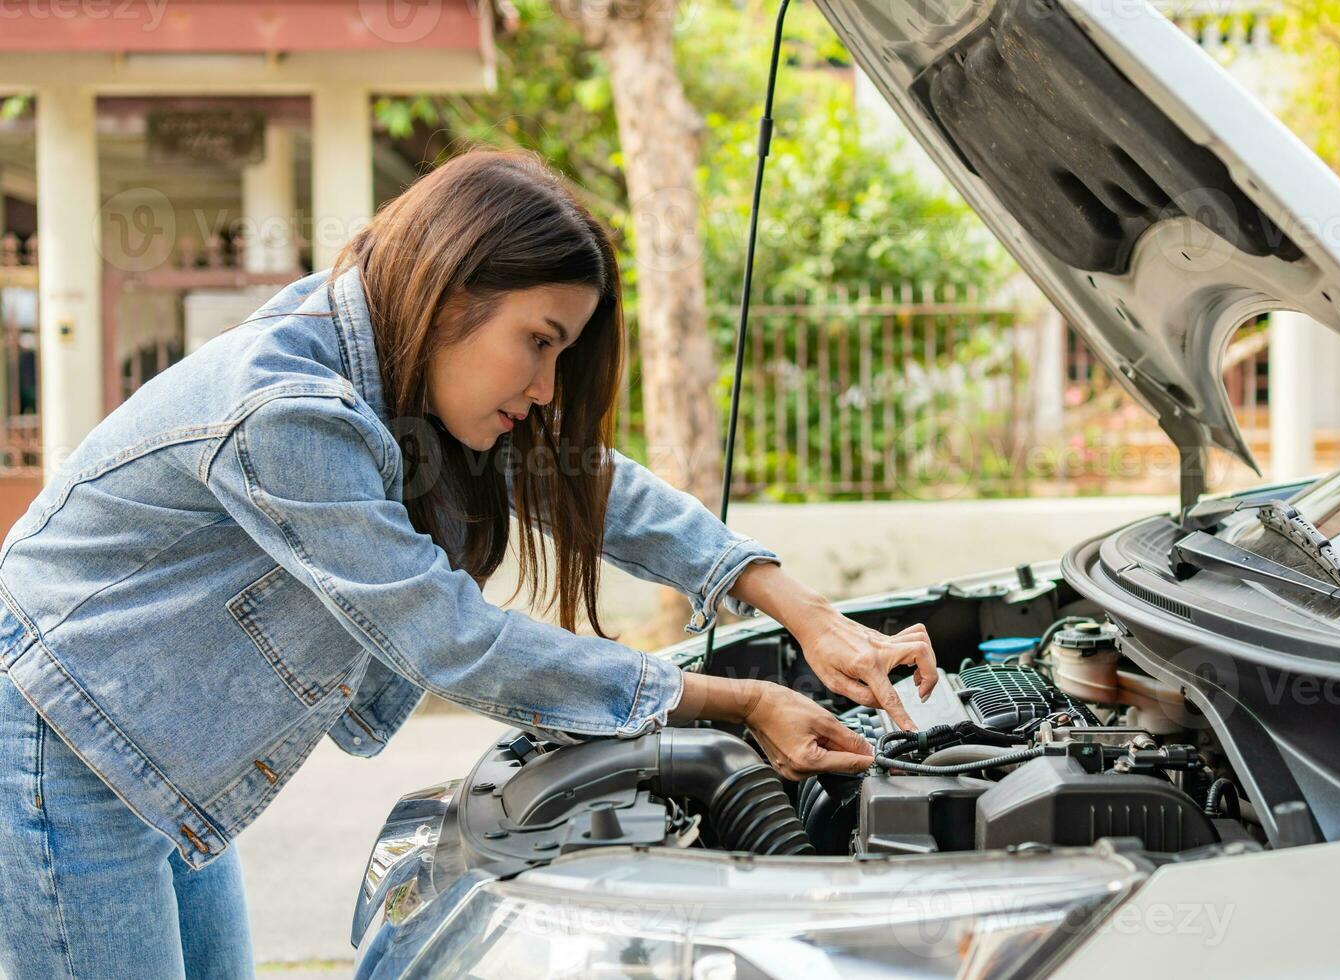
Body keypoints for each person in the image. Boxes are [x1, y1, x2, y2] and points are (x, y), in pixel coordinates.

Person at [0, 149, 937, 978]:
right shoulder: (289, 412)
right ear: (453, 292)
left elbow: (592, 484)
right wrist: (738, 702)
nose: (543, 390)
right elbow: (451, 639)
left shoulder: (403, 366)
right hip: (64, 742)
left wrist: (803, 612)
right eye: (539, 343)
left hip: (153, 753)